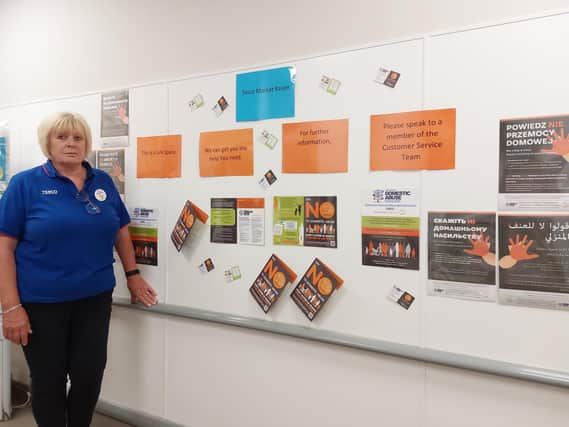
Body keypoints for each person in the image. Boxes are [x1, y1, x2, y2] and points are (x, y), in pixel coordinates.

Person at [0, 112, 158, 427]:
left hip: (95, 299)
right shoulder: (25, 184)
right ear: (48, 142)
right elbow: (4, 248)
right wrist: (11, 307)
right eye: (62, 137)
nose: (71, 144)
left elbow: (121, 230)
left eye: (78, 138)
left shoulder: (102, 181)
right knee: (49, 379)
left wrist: (133, 275)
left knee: (89, 373)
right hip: (41, 303)